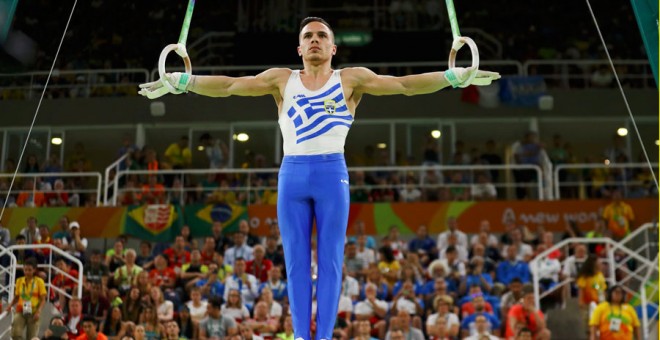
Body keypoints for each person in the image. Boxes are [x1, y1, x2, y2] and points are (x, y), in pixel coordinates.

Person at [139, 16, 499, 340]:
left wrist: (453, 76)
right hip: (292, 175)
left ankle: (323, 336)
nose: (314, 40)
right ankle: (300, 334)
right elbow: (231, 85)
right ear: (298, 47)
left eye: (321, 36)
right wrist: (183, 81)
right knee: (295, 261)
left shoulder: (350, 79)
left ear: (332, 47)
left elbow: (404, 85)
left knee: (329, 260)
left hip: (331, 175)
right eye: (308, 36)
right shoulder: (282, 79)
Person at [7, 257, 47, 340]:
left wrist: (38, 312)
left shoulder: (39, 281)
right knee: (15, 334)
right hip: (21, 311)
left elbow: (43, 300)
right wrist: (10, 305)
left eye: (29, 270)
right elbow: (17, 297)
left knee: (31, 337)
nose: (27, 272)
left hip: (34, 312)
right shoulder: (19, 281)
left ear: (34, 270)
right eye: (25, 270)